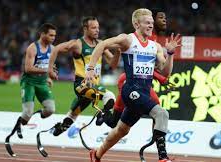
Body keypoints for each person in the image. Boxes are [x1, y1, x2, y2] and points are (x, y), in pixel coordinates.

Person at [85, 8, 180, 162]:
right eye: (146, 23)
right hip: (130, 90)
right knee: (162, 113)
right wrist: (90, 69)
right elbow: (101, 46)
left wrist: (170, 54)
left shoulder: (155, 46)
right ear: (136, 24)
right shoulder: (127, 39)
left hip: (144, 92)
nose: (150, 25)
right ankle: (163, 157)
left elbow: (165, 72)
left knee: (121, 130)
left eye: (151, 23)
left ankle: (96, 154)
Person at [47, 16, 119, 136]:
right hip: (82, 85)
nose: (97, 30)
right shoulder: (78, 44)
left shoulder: (101, 44)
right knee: (109, 96)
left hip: (93, 88)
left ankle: (59, 128)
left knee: (73, 115)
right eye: (94, 28)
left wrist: (118, 52)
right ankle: (103, 117)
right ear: (85, 29)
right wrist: (50, 69)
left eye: (98, 28)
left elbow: (113, 64)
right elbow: (56, 49)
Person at [99, 8, 171, 128]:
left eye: (163, 18)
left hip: (142, 84)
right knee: (157, 108)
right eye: (160, 18)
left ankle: (157, 139)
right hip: (127, 81)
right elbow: (140, 64)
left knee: (114, 123)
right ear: (138, 23)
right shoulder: (138, 37)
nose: (164, 20)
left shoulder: (154, 41)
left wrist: (167, 60)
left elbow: (153, 67)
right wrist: (161, 78)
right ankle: (159, 141)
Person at [8, 23, 57, 139]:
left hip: (42, 83)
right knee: (26, 114)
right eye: (51, 35)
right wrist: (47, 71)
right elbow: (28, 68)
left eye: (54, 36)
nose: (53, 38)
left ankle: (35, 114)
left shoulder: (53, 49)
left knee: (50, 109)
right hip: (29, 82)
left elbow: (50, 65)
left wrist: (49, 77)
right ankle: (21, 123)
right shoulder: (33, 48)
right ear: (43, 34)